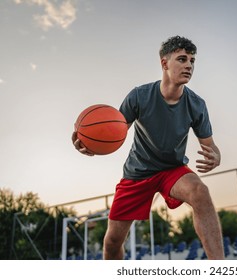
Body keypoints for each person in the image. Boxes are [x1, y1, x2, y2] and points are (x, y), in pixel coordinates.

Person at [72, 35, 224, 260]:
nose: (189, 66)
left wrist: (216, 157)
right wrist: (90, 144)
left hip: (172, 170)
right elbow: (113, 131)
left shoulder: (196, 105)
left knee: (200, 191)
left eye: (192, 61)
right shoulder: (139, 96)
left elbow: (211, 146)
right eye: (182, 59)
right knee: (112, 242)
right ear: (164, 63)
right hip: (137, 173)